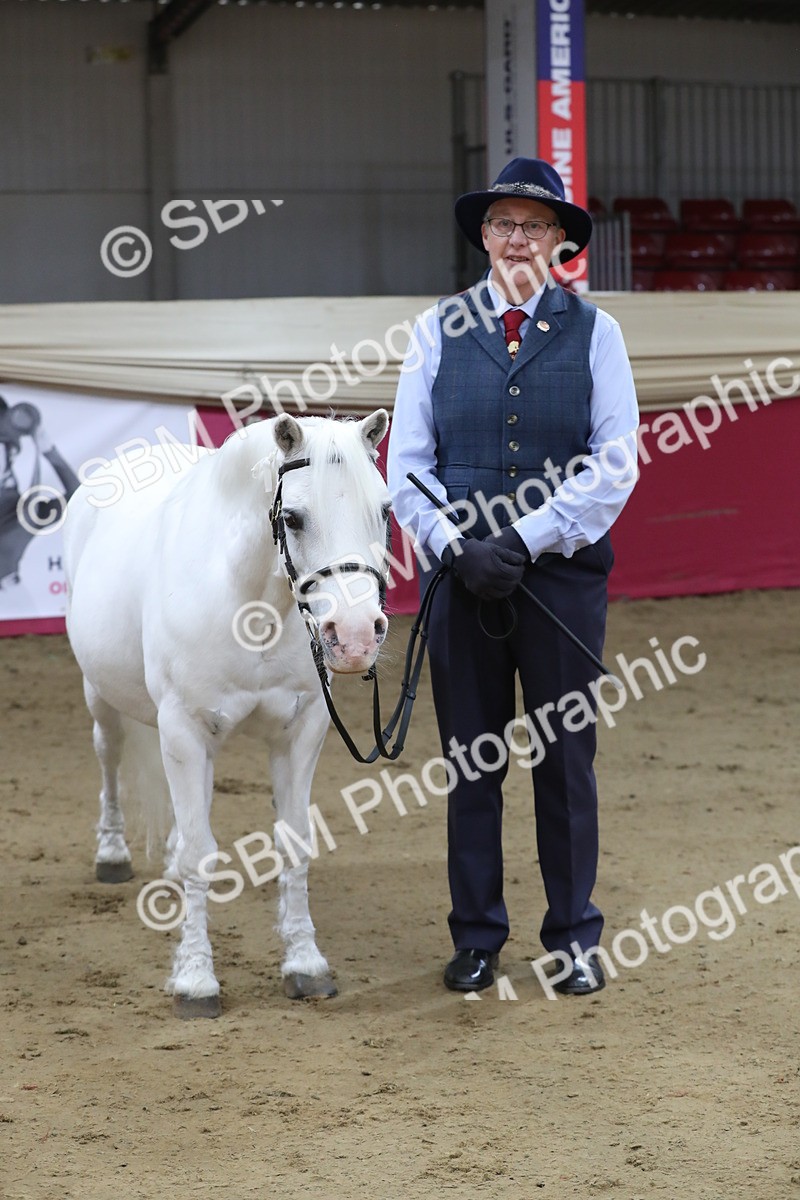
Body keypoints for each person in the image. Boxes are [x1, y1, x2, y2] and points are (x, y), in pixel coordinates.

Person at [387, 157, 639, 995]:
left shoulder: (598, 333)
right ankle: (476, 936)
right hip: (463, 581)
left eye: (535, 225)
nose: (518, 238)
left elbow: (615, 464)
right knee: (471, 762)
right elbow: (408, 464)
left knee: (566, 759)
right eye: (503, 224)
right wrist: (456, 546)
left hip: (559, 582)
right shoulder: (435, 329)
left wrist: (523, 540)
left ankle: (573, 936)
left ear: (561, 240)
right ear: (484, 237)